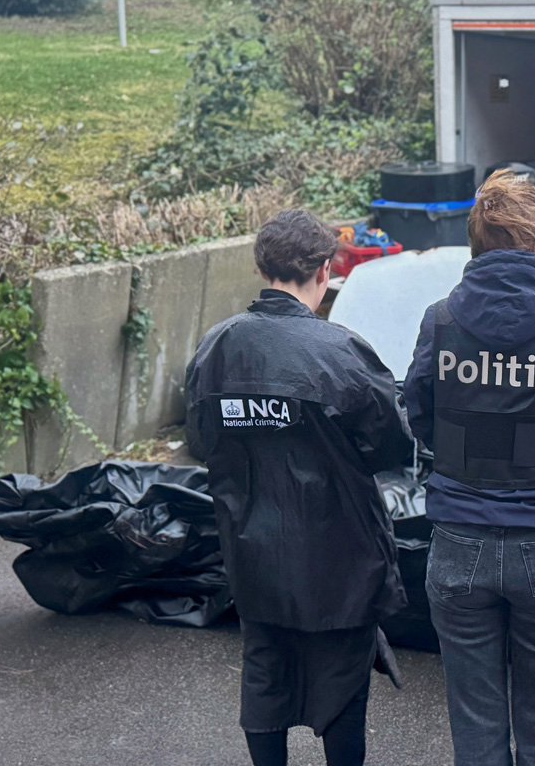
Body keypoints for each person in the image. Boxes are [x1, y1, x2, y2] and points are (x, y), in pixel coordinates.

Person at [403, 170, 535, 766]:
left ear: (475, 244)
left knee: (475, 725)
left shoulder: (440, 321)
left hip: (458, 540)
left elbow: (419, 414)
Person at [184, 210, 412, 766]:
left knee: (265, 673)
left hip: (253, 552)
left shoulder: (216, 348)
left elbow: (200, 440)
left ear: (262, 267)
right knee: (343, 680)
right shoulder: (341, 351)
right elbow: (391, 445)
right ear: (325, 270)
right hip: (339, 556)